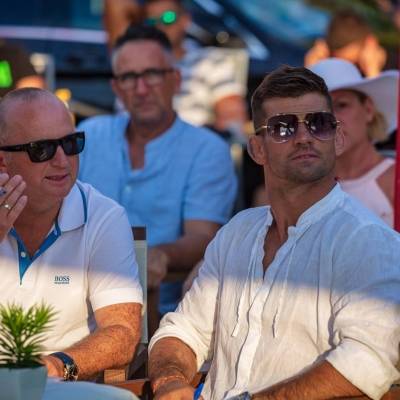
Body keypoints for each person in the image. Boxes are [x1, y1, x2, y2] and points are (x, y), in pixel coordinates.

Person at [148, 65, 400, 400]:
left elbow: (368, 359)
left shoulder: (368, 240)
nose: (304, 136)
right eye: (283, 128)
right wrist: (169, 382)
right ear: (257, 149)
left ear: (338, 138)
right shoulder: (236, 233)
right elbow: (182, 330)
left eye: (319, 123)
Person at [78, 25, 237, 321]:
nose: (141, 89)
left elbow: (204, 237)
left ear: (176, 80)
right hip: (79, 303)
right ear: (116, 88)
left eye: (152, 74)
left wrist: (160, 255)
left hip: (165, 313)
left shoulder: (207, 149)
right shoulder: (89, 135)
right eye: (129, 77)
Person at [0, 88, 143, 381]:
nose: (62, 161)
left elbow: (123, 333)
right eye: (42, 149)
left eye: (70, 143)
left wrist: (57, 368)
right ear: (3, 161)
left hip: (66, 386)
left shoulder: (104, 217)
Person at [309, 57, 399, 227]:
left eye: (341, 105)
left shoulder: (394, 180)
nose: (332, 119)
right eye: (319, 112)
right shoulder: (303, 186)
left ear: (368, 110)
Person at [142, 0, 248, 133]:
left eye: (168, 18)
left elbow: (232, 121)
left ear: (185, 20)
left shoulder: (211, 60)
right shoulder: (135, 68)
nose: (160, 26)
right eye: (152, 22)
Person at [304, 9, 387, 78]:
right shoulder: (325, 68)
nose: (345, 70)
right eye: (338, 63)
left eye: (353, 64)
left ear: (371, 43)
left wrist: (372, 72)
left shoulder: (392, 73)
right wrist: (310, 72)